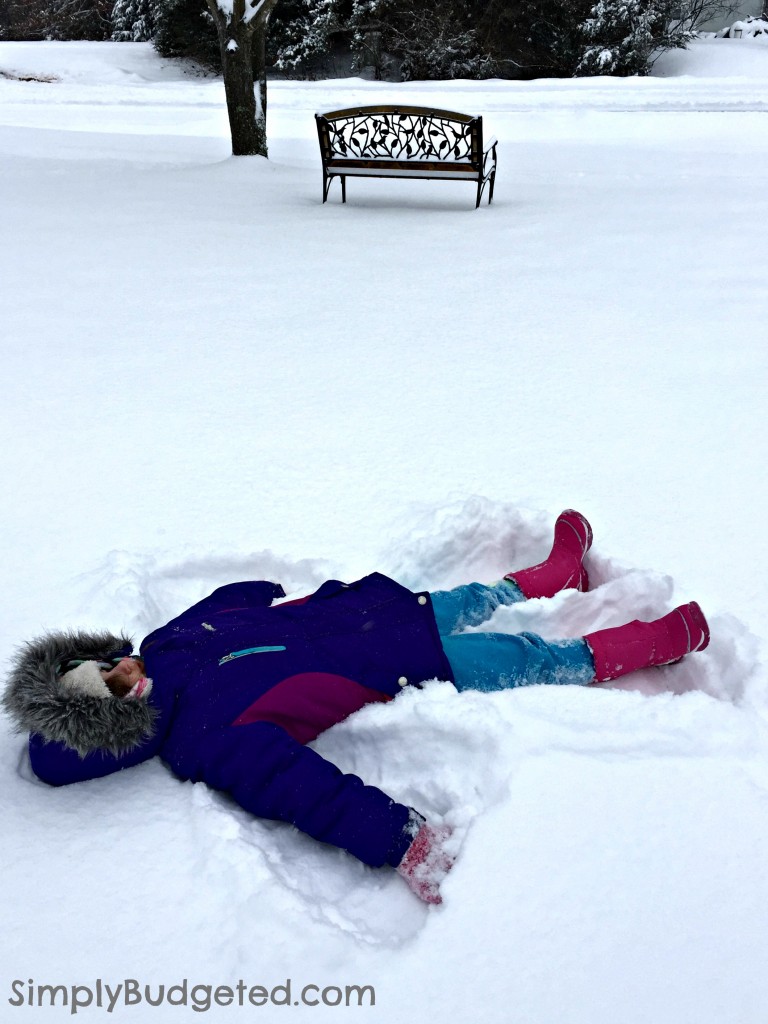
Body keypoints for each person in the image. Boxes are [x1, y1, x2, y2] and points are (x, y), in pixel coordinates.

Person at [2, 511, 709, 905]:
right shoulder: (204, 740)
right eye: (115, 688)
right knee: (525, 656)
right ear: (117, 726)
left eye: (105, 663)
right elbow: (302, 791)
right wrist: (401, 840)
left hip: (364, 612)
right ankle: (646, 645)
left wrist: (250, 594)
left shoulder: (159, 646)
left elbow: (209, 614)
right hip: (393, 666)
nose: (125, 670)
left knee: (473, 598)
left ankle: (553, 577)